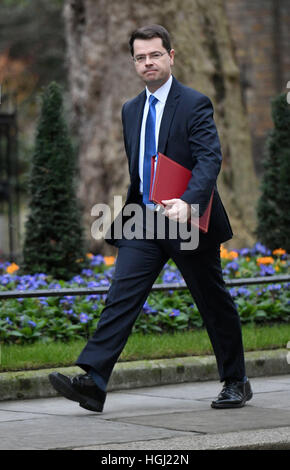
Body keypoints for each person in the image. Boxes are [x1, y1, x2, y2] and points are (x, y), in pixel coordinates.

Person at [49, 24, 253, 412]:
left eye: (155, 55)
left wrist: (189, 202)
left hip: (187, 220)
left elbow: (210, 159)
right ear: (134, 63)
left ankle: (236, 380)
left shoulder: (195, 103)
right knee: (120, 297)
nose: (148, 63)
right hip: (143, 219)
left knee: (212, 302)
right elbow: (139, 169)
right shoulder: (130, 109)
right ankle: (93, 381)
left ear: (171, 56)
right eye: (140, 57)